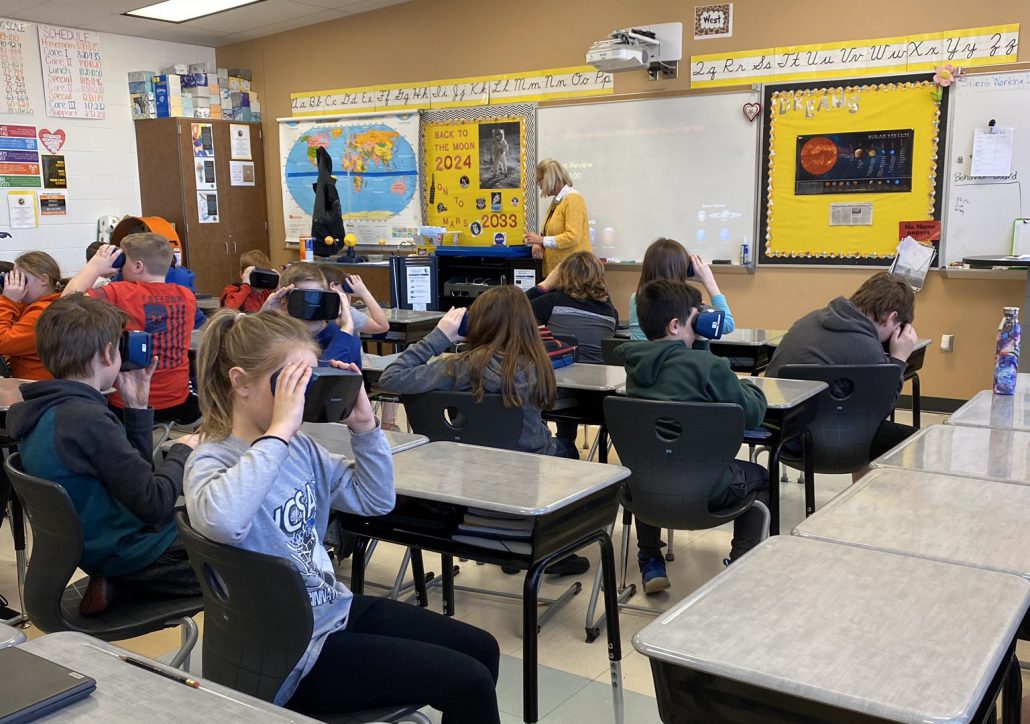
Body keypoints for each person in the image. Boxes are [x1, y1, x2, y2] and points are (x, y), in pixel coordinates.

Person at [185, 309, 500, 722]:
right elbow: (223, 521)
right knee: (469, 680)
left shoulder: (302, 450)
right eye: (290, 385)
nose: (300, 399)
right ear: (240, 382)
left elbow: (374, 499)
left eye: (307, 382)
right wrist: (277, 432)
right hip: (287, 652)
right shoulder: (210, 460)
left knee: (482, 648)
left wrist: (366, 429)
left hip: (332, 611)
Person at [6, 294, 200, 615]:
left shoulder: (46, 411)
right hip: (136, 554)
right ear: (109, 352)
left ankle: (117, 583)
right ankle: (123, 583)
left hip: (102, 550)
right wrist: (182, 452)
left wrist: (137, 409)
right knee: (247, 560)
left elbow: (133, 482)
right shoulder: (87, 419)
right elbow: (153, 504)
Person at [379, 285, 587, 575]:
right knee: (567, 449)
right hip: (530, 471)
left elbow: (390, 378)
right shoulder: (538, 367)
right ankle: (549, 543)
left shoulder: (458, 368)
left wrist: (439, 338)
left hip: (469, 471)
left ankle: (504, 531)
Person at [616, 279, 769, 593]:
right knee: (761, 478)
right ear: (676, 325)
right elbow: (754, 412)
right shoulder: (708, 366)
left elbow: (678, 364)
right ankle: (741, 563)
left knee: (652, 462)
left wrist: (694, 339)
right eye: (695, 316)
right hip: (708, 492)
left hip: (646, 493)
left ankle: (650, 559)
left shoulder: (633, 364)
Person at [766, 271, 920, 461]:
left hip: (780, 439)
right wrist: (899, 358)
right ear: (891, 317)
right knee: (920, 442)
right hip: (827, 446)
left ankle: (860, 490)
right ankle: (867, 490)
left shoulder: (809, 319)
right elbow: (881, 412)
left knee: (857, 418)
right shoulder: (867, 347)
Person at [63, 234, 201, 423]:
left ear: (137, 266)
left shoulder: (119, 292)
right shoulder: (187, 296)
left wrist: (94, 267)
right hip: (179, 403)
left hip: (129, 405)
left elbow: (66, 305)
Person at [629, 238, 735, 341]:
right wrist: (709, 281)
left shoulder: (636, 299)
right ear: (681, 270)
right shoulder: (682, 305)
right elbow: (728, 324)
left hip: (641, 358)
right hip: (673, 358)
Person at [263, 262, 362, 367]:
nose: (311, 306)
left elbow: (318, 379)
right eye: (303, 299)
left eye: (317, 298)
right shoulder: (277, 338)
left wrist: (345, 332)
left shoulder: (347, 341)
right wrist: (264, 320)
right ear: (284, 303)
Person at [526, 251, 618, 364]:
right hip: (597, 378)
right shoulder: (611, 313)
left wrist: (544, 285)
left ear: (562, 275)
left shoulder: (552, 301)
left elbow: (509, 309)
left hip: (559, 374)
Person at [0, 251, 65, 379]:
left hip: (37, 389)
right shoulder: (41, 305)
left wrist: (8, 301)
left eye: (21, 279)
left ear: (43, 280)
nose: (17, 285)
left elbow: (2, 343)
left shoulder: (42, 313)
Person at [524, 158, 592, 275]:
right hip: (558, 274)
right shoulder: (557, 202)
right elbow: (549, 234)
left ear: (548, 178)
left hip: (573, 275)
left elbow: (572, 237)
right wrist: (538, 243)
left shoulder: (573, 199)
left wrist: (541, 240)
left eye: (539, 181)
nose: (539, 186)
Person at [317, 265, 390, 335]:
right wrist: (365, 293)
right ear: (333, 286)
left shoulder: (313, 309)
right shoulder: (344, 314)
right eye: (342, 284)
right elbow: (383, 326)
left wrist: (347, 295)